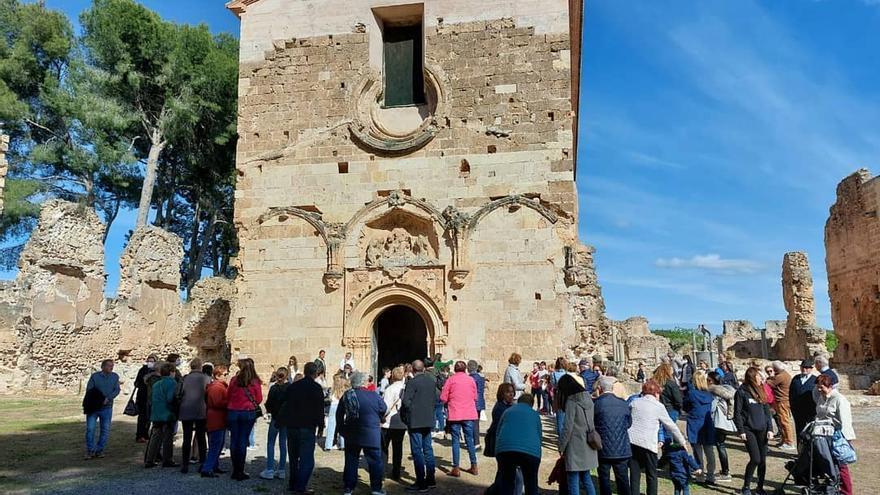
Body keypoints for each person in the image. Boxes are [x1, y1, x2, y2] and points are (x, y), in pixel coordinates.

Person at [628, 379, 688, 495]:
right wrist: (682, 441)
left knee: (634, 474)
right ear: (656, 393)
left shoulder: (634, 402)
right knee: (651, 474)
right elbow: (671, 426)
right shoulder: (658, 406)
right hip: (648, 443)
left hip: (633, 441)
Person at [337, 371, 387, 495]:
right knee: (375, 461)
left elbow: (339, 414)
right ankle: (376, 488)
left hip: (352, 432)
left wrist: (342, 429)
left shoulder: (347, 395)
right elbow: (384, 408)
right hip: (371, 433)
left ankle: (349, 488)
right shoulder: (373, 395)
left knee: (351, 461)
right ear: (363, 383)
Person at [278, 362, 324, 493]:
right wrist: (321, 427)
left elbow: (285, 404)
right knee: (307, 459)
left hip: (292, 427)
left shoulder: (294, 387)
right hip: (307, 428)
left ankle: (293, 484)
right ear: (315, 373)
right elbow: (320, 410)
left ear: (304, 371)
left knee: (293, 458)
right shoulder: (316, 388)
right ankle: (300, 487)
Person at [734, 366, 774, 495]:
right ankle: (746, 487)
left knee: (762, 460)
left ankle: (760, 487)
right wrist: (741, 431)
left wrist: (770, 429)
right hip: (748, 429)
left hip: (762, 429)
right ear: (752, 377)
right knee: (755, 459)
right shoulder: (741, 392)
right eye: (759, 376)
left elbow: (767, 412)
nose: (762, 378)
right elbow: (737, 413)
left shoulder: (761, 390)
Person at [401, 359, 439, 492]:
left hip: (416, 421)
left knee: (417, 451)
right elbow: (436, 399)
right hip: (428, 420)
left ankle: (421, 483)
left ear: (412, 369)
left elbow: (406, 402)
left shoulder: (412, 382)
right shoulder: (431, 381)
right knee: (428, 449)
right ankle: (431, 479)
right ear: (423, 369)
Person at [815, 373, 856, 495]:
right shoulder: (821, 397)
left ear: (829, 386)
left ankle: (847, 492)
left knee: (842, 465)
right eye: (818, 386)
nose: (819, 389)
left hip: (838, 436)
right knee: (829, 464)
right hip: (823, 436)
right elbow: (819, 415)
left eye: (821, 386)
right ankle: (833, 488)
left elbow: (846, 421)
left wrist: (846, 440)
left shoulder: (839, 399)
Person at [557, 374, 598, 495]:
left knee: (573, 480)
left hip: (575, 445)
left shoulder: (571, 401)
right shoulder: (588, 397)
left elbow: (567, 427)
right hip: (588, 441)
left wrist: (561, 446)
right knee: (586, 478)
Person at [495, 393, 542, 495]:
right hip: (530, 451)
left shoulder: (507, 411)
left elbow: (498, 432)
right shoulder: (535, 415)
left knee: (507, 483)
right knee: (531, 483)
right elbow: (539, 436)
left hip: (505, 449)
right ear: (532, 404)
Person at [593, 376, 631, 495]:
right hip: (621, 447)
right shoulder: (623, 403)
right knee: (623, 480)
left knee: (604, 480)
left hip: (603, 447)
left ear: (600, 388)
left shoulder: (596, 404)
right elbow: (629, 423)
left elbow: (592, 424)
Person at [441, 360, 479, 477]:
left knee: (456, 441)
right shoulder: (471, 380)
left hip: (455, 414)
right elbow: (475, 397)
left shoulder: (451, 380)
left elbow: (443, 397)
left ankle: (456, 468)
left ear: (455, 369)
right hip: (468, 413)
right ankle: (474, 466)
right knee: (469, 440)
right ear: (465, 369)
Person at [227, 357, 263, 480]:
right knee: (243, 441)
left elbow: (228, 395)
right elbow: (258, 399)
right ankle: (240, 471)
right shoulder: (255, 381)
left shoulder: (234, 380)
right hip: (247, 413)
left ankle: (235, 470)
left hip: (233, 412)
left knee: (234, 440)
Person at [485, 383, 522, 495]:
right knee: (505, 471)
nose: (511, 394)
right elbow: (499, 428)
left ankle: (492, 491)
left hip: (508, 443)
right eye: (508, 392)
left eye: (512, 392)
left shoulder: (511, 406)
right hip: (501, 443)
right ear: (502, 394)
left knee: (503, 471)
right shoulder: (499, 408)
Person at [179, 357, 211, 473]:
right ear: (200, 366)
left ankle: (185, 464)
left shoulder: (185, 379)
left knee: (186, 438)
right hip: (201, 411)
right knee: (201, 437)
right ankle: (202, 462)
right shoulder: (206, 379)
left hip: (186, 410)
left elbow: (179, 393)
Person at [683, 371, 716, 484]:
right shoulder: (709, 394)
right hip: (707, 424)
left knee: (698, 452)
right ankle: (711, 476)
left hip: (695, 424)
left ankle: (700, 475)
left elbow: (685, 406)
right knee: (709, 451)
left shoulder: (691, 394)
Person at [83, 359, 120, 460]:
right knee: (90, 429)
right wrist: (99, 400)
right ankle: (90, 450)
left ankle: (99, 450)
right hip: (94, 407)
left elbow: (116, 390)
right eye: (109, 365)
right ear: (102, 367)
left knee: (105, 430)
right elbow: (90, 390)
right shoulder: (95, 376)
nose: (111, 367)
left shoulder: (115, 377)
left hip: (107, 408)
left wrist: (108, 398)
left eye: (112, 365)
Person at [145, 361, 178, 468]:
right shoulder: (172, 383)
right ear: (171, 372)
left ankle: (150, 459)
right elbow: (170, 398)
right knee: (168, 437)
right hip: (167, 413)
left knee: (155, 437)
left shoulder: (156, 384)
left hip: (156, 413)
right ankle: (167, 459)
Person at [261, 366, 290, 480]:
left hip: (275, 418)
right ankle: (282, 469)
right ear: (287, 375)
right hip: (285, 419)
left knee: (271, 443)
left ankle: (270, 469)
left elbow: (268, 404)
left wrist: (271, 410)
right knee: (283, 444)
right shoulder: (290, 388)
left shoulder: (274, 388)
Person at [201, 364, 229, 478]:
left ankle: (214, 466)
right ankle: (207, 468)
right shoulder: (216, 387)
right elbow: (216, 403)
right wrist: (229, 402)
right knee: (215, 445)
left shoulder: (218, 386)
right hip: (216, 419)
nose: (227, 376)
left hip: (218, 419)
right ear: (218, 375)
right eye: (225, 374)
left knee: (218, 444)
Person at [706, 371, 735, 483]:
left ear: (711, 381)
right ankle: (725, 470)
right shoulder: (727, 388)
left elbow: (712, 407)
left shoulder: (713, 390)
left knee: (720, 446)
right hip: (725, 421)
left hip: (719, 421)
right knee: (721, 445)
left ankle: (725, 472)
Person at [381, 366, 407, 481]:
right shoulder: (407, 389)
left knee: (384, 447)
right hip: (401, 423)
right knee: (398, 448)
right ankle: (396, 473)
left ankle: (382, 472)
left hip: (388, 423)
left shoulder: (389, 389)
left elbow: (385, 408)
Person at [766, 361, 795, 450]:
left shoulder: (781, 376)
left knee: (785, 422)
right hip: (780, 401)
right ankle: (784, 440)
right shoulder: (782, 374)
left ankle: (789, 442)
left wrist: (767, 379)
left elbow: (769, 383)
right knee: (781, 422)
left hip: (782, 401)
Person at [789, 359, 817, 447]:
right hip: (797, 410)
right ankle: (800, 451)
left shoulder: (815, 380)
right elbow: (791, 393)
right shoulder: (796, 379)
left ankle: (810, 451)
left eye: (807, 368)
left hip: (810, 411)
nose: (805, 369)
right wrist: (792, 407)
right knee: (799, 431)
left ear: (811, 369)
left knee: (810, 431)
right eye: (803, 367)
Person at [134, 354, 157, 442]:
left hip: (151, 397)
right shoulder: (142, 370)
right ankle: (140, 435)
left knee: (149, 417)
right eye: (149, 361)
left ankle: (146, 434)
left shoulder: (156, 371)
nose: (150, 363)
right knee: (142, 417)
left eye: (152, 361)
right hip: (142, 397)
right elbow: (136, 383)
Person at [325, 373, 350, 451]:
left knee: (331, 427)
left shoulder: (334, 388)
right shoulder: (345, 389)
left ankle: (328, 446)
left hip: (334, 406)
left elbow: (330, 398)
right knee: (342, 425)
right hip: (342, 407)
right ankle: (343, 445)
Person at [468, 360, 486, 449]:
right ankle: (476, 442)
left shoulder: (470, 378)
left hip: (472, 402)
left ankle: (475, 442)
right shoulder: (481, 378)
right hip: (479, 402)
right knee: (476, 423)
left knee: (471, 423)